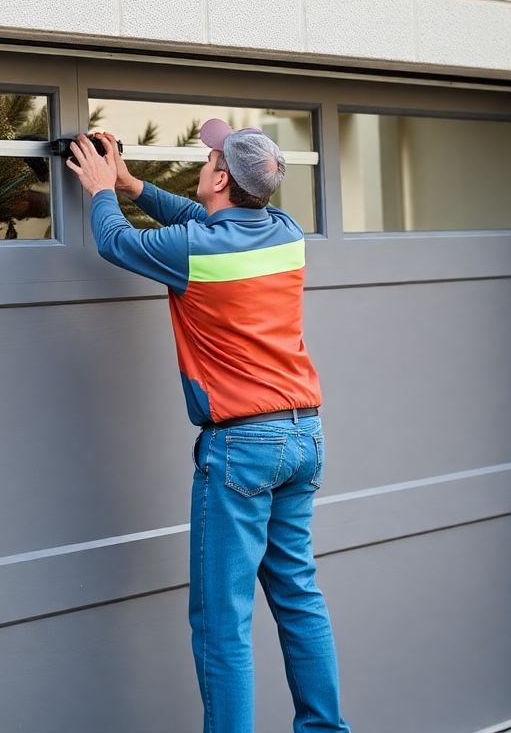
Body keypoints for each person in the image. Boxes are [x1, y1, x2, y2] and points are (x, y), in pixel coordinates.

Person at [66, 123, 350, 733]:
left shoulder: (196, 250)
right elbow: (202, 219)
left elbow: (115, 242)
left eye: (210, 158)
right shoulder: (286, 234)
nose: (203, 166)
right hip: (303, 436)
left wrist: (99, 191)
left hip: (243, 448)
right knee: (299, 599)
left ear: (221, 178)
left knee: (223, 622)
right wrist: (132, 182)